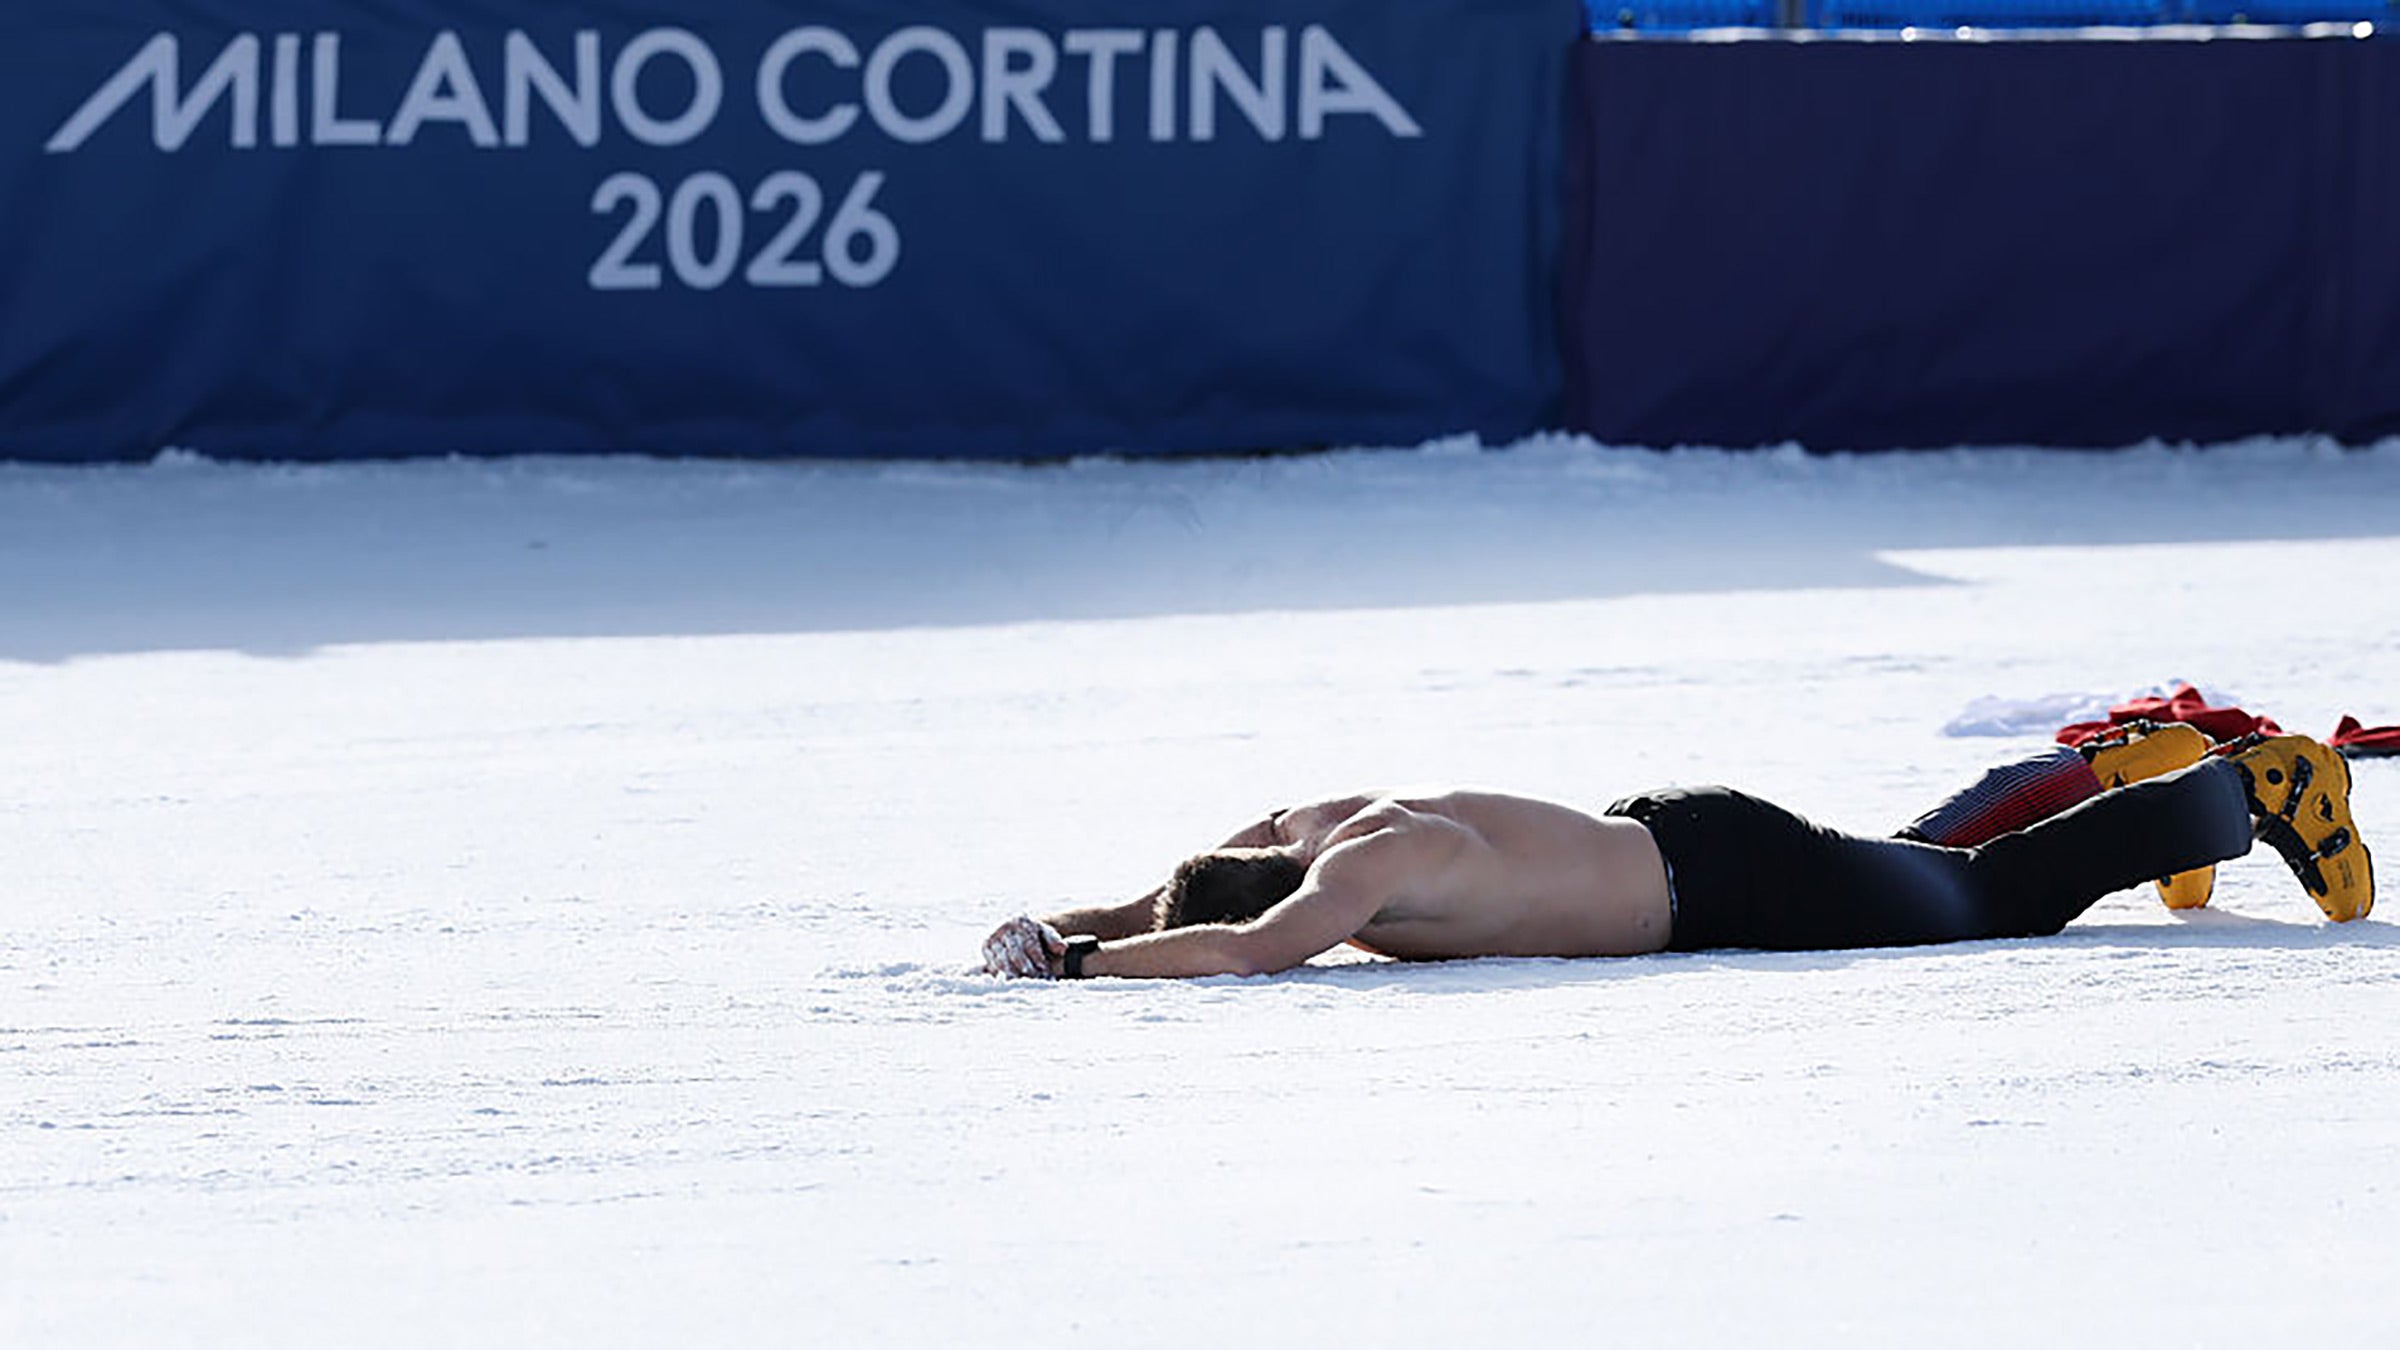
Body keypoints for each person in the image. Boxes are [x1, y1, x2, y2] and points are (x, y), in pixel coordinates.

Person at [980, 732, 2372, 980]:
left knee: (1982, 899)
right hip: (1680, 834)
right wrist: (1068, 922)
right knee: (1912, 865)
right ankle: (2111, 771)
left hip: (1718, 882)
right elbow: (1193, 893)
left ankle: (2247, 791)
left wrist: (1085, 969)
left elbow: (1242, 944)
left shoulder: (1346, 883)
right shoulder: (1315, 826)